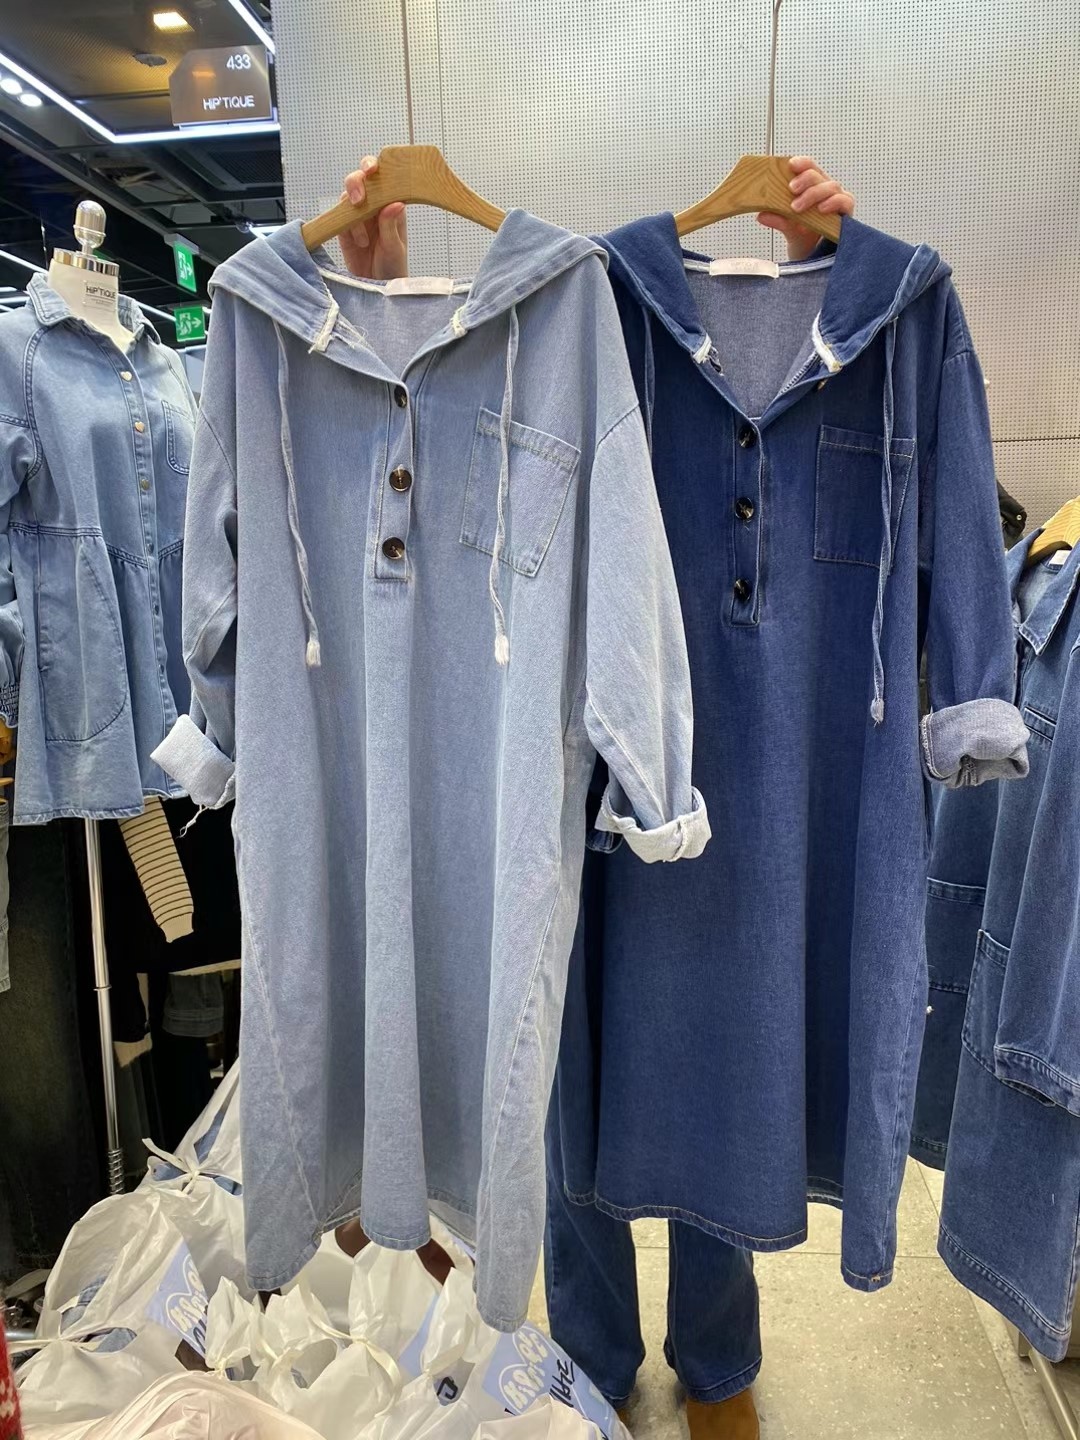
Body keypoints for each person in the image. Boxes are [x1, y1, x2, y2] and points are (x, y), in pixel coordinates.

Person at [338, 154, 856, 1440]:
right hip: (555, 682)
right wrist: (384, 284)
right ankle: (591, 1349)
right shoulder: (583, 285)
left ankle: (718, 1355)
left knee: (711, 1039)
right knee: (565, 1047)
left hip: (724, 714)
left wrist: (819, 284)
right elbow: (450, 383)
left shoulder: (727, 310)